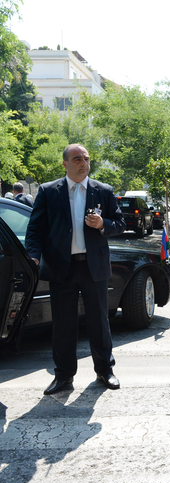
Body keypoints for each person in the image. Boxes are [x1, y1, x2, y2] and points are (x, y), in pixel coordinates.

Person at [25, 144, 126, 395]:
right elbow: (35, 229)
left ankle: (105, 370)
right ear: (65, 164)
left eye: (87, 159)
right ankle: (63, 376)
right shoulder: (49, 191)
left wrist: (104, 224)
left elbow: (120, 223)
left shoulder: (103, 191)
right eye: (77, 159)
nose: (83, 163)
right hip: (62, 268)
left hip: (94, 267)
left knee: (99, 322)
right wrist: (33, 257)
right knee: (63, 324)